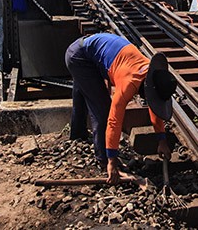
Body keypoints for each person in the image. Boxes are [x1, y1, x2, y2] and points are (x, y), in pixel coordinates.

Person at [65, 33, 177, 184]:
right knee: (102, 109)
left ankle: (78, 134)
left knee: (87, 91)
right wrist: (112, 159)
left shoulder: (149, 72)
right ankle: (103, 160)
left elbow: (154, 106)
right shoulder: (129, 83)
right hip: (79, 56)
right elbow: (113, 121)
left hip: (90, 50)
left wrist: (161, 140)